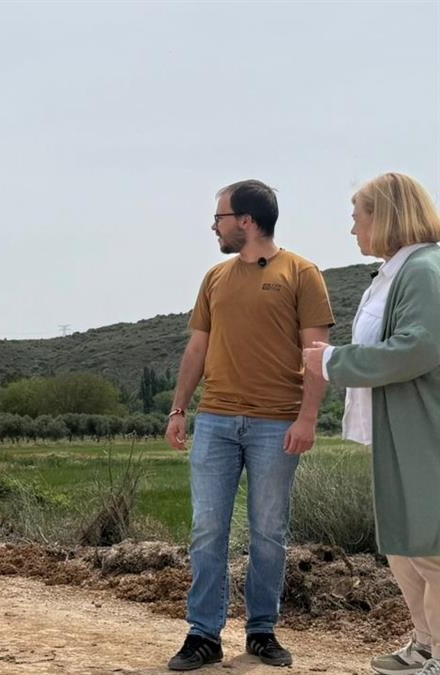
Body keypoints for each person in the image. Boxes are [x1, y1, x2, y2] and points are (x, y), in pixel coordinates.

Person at [164, 179, 334, 670]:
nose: (213, 227)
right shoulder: (215, 278)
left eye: (219, 217)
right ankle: (203, 636)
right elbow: (196, 348)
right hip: (215, 420)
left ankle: (261, 631)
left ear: (246, 221)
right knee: (207, 529)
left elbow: (316, 355)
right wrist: (179, 408)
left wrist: (307, 418)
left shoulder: (302, 273)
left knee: (268, 532)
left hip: (275, 424)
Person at [303, 172, 440, 675]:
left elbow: (419, 347)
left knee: (429, 542)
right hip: (399, 424)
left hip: (424, 425)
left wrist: (334, 362)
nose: (352, 230)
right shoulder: (397, 272)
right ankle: (425, 646)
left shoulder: (425, 270)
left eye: (357, 217)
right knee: (406, 542)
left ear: (386, 218)